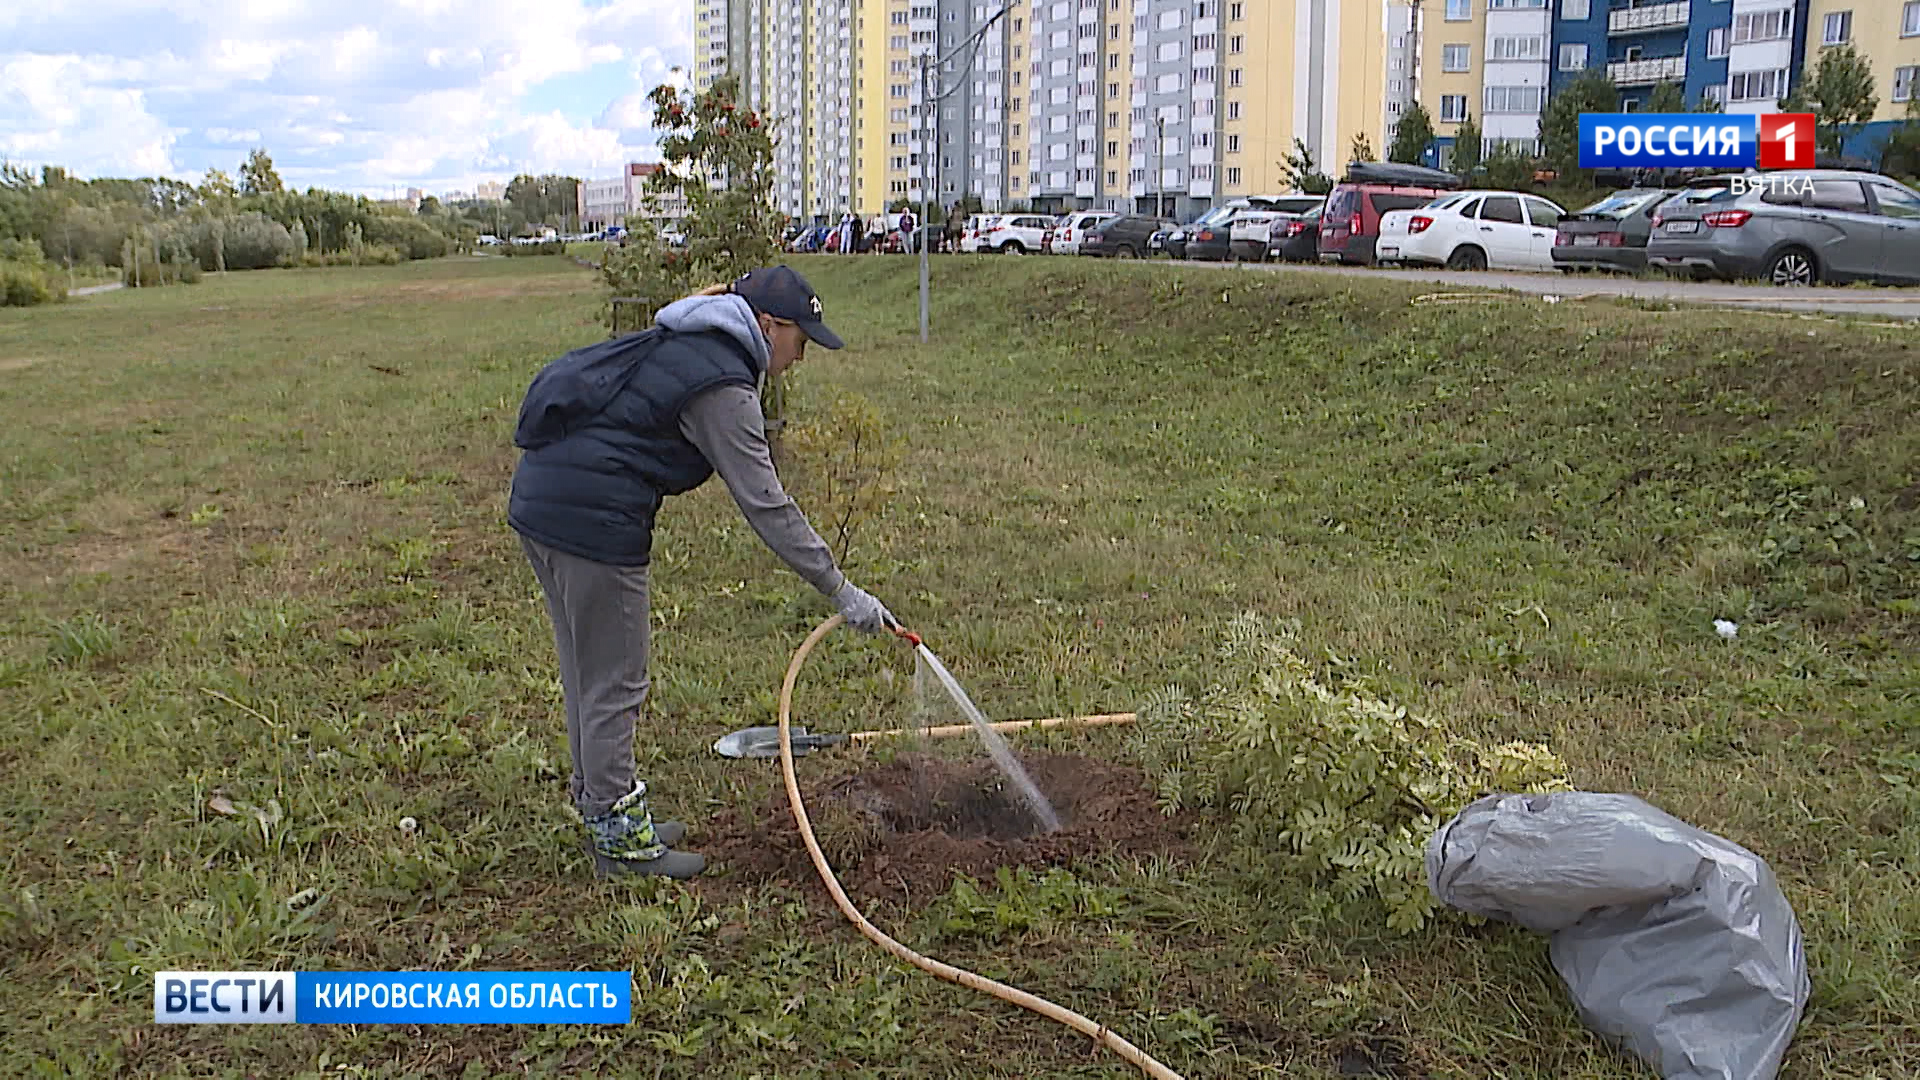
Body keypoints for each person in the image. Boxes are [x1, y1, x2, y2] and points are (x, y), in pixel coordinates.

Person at [507, 266, 900, 880]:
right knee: (616, 681)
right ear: (768, 325)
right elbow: (767, 504)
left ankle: (602, 808)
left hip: (543, 499)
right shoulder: (722, 385)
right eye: (801, 340)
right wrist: (841, 589)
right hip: (593, 519)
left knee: (589, 673)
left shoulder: (693, 342)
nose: (801, 357)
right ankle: (619, 840)